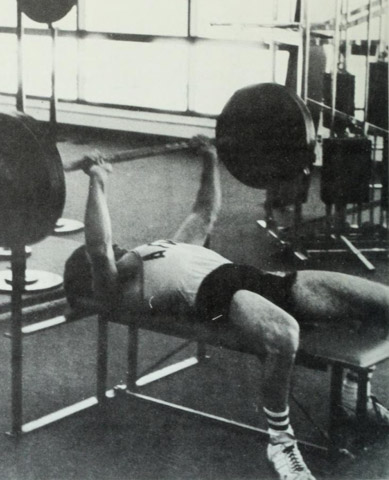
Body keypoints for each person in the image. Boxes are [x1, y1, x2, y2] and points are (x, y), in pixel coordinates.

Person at [64, 136, 389, 480]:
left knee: (379, 302)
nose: (116, 244)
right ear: (91, 274)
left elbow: (204, 213)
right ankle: (280, 442)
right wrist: (97, 182)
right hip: (221, 297)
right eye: (109, 249)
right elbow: (97, 247)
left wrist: (209, 158)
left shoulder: (161, 247)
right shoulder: (116, 288)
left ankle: (354, 398)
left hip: (265, 280)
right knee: (284, 335)